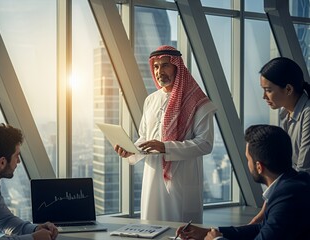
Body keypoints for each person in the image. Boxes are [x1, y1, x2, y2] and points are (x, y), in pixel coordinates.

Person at [114, 45, 216, 223]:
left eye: (165, 65)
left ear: (178, 67)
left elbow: (205, 144)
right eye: (156, 66)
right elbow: (145, 137)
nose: (159, 71)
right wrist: (131, 149)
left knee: (182, 229)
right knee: (152, 226)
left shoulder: (199, 102)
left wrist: (165, 147)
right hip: (153, 177)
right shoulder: (151, 100)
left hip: (182, 177)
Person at [175, 124, 310, 240]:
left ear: (259, 167)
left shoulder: (288, 198)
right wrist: (209, 232)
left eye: (248, 159)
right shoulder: (295, 182)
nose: (247, 164)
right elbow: (263, 229)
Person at [249, 56, 310, 224]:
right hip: (296, 189)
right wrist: (263, 212)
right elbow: (284, 167)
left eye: (268, 90)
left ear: (288, 89)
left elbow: (303, 170)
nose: (263, 96)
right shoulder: (285, 113)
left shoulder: (308, 114)